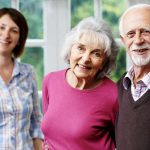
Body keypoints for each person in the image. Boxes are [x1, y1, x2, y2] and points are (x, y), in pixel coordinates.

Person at [41, 17, 119, 150]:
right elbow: (48, 136)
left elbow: (122, 141)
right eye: (80, 48)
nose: (85, 59)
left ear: (104, 62)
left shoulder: (114, 95)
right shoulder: (51, 81)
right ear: (70, 50)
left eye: (96, 54)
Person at [0, 8, 43, 149]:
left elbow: (36, 123)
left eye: (14, 30)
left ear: (19, 39)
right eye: (1, 27)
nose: (6, 35)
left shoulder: (28, 73)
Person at [115, 3, 150, 150]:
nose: (138, 40)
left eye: (145, 32)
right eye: (131, 34)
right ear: (123, 41)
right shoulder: (120, 86)